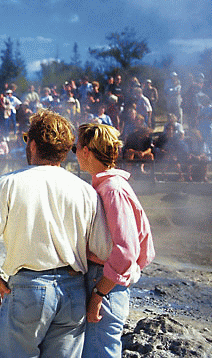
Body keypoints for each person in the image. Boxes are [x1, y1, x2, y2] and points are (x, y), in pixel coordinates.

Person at [0, 110, 111, 358]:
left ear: (32, 144)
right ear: (65, 151)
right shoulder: (86, 191)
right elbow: (103, 249)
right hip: (73, 291)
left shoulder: (8, 184)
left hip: (28, 288)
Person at [74, 123, 155, 358]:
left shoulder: (111, 189)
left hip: (105, 280)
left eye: (75, 148)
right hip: (106, 279)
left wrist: (99, 294)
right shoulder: (110, 186)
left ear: (87, 151)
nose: (75, 153)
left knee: (101, 352)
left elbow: (127, 250)